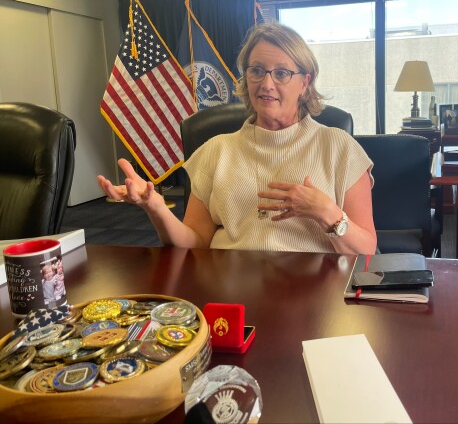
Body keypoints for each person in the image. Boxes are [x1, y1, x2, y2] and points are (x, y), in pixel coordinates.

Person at [97, 22, 376, 255]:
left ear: (304, 82)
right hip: (230, 291)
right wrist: (156, 208)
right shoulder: (215, 151)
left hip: (316, 291)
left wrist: (327, 213)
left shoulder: (340, 148)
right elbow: (195, 244)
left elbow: (367, 250)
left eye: (281, 73)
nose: (267, 84)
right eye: (256, 71)